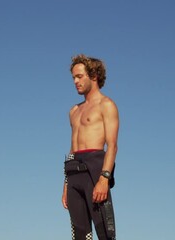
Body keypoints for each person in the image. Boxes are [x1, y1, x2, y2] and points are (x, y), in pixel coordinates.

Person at [62, 54, 119, 240]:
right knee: (80, 235)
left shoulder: (106, 105)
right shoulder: (74, 111)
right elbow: (72, 148)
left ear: (93, 76)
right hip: (74, 173)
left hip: (95, 171)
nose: (75, 82)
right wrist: (66, 183)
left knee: (105, 234)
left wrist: (104, 178)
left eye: (79, 76)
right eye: (73, 78)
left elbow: (112, 146)